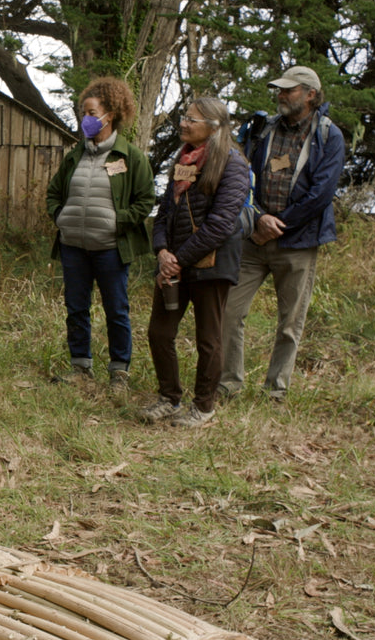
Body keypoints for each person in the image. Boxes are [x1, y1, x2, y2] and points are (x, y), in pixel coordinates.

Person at [220, 65, 345, 401]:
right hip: (254, 238)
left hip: (297, 242)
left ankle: (275, 390)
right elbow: (243, 176)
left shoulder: (329, 136)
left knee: (290, 322)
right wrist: (258, 219)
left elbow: (321, 193)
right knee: (229, 311)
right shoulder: (262, 130)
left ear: (311, 95)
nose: (281, 95)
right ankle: (229, 384)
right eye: (279, 89)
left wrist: (280, 225)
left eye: (289, 90)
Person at [143, 98, 251, 428]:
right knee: (159, 332)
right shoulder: (183, 159)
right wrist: (162, 251)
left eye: (192, 119)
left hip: (212, 264)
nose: (184, 123)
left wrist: (179, 258)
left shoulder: (233, 164)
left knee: (209, 338)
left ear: (215, 127)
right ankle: (169, 397)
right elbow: (165, 212)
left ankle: (204, 406)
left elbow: (220, 224)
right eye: (184, 117)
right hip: (174, 264)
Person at [44, 76, 155, 389]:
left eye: (92, 112)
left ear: (111, 114)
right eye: (83, 112)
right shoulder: (74, 156)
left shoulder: (130, 158)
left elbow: (146, 200)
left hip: (110, 249)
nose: (86, 119)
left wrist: (117, 222)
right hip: (73, 247)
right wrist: (60, 216)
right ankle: (80, 367)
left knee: (116, 310)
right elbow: (53, 193)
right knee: (76, 308)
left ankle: (119, 370)